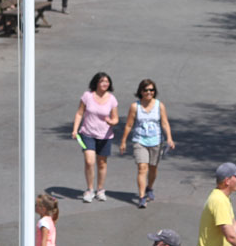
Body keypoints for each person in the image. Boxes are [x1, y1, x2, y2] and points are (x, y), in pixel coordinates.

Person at [120, 78, 175, 208]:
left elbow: (165, 123)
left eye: (151, 90)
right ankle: (141, 196)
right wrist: (123, 141)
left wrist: (169, 138)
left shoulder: (159, 105)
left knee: (153, 168)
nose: (149, 92)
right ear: (141, 91)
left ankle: (149, 187)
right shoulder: (135, 106)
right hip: (140, 141)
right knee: (142, 168)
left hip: (156, 140)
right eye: (146, 90)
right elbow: (129, 125)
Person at [71, 71, 119, 203]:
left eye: (107, 81)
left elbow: (116, 119)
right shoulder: (87, 96)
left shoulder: (112, 99)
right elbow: (80, 113)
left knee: (102, 163)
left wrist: (111, 122)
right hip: (88, 133)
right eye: (102, 81)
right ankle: (90, 189)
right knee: (89, 161)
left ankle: (100, 189)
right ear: (96, 83)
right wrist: (75, 129)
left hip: (105, 135)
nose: (105, 84)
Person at [198, 162, 236, 246]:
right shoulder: (219, 200)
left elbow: (234, 226)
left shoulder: (223, 197)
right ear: (227, 181)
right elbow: (231, 236)